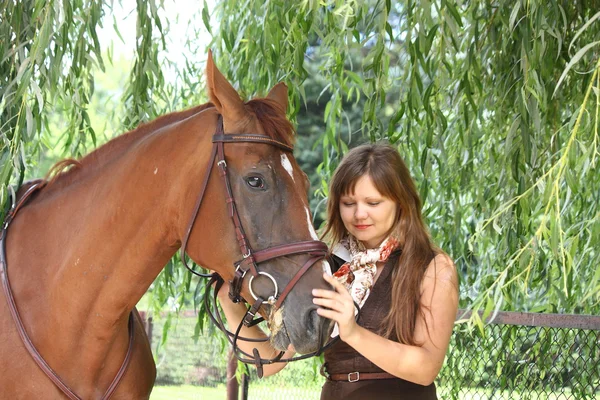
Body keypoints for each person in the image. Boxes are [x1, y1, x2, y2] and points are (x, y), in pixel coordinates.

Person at [216, 143, 459, 399]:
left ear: (401, 202)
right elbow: (272, 360)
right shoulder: (324, 265)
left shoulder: (432, 267)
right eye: (348, 203)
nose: (359, 214)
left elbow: (425, 369)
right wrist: (227, 299)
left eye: (373, 202)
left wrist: (352, 332)